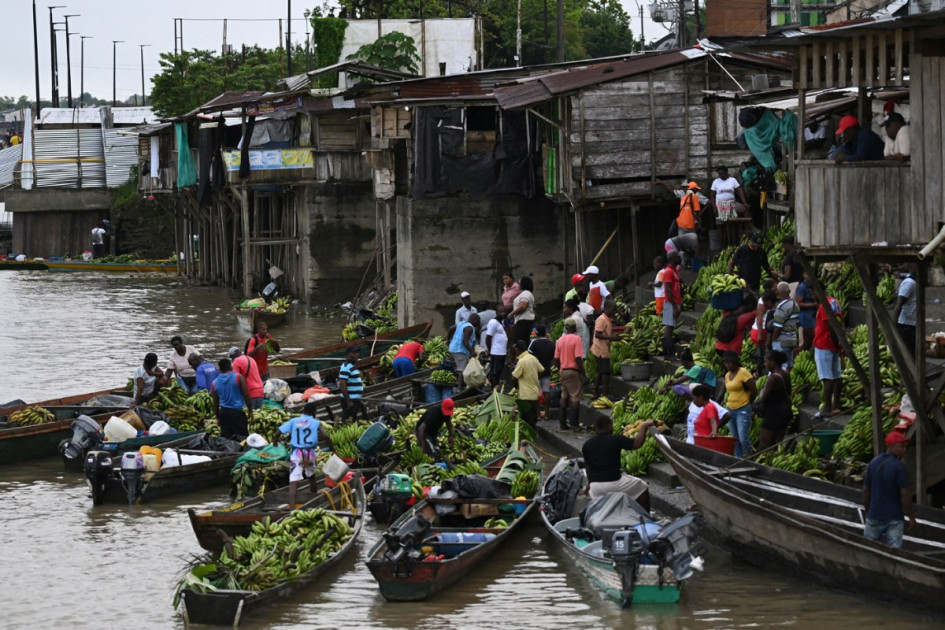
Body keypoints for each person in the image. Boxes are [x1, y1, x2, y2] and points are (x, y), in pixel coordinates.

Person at [582, 416, 654, 511]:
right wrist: (644, 427)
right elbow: (637, 444)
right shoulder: (616, 439)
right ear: (609, 426)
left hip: (595, 487)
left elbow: (588, 466)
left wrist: (588, 485)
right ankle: (645, 519)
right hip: (614, 482)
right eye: (611, 424)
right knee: (642, 487)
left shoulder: (587, 444)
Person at [862, 431, 916, 549]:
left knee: (868, 549)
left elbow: (866, 490)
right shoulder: (899, 466)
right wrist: (911, 516)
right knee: (894, 552)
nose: (904, 450)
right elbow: (904, 494)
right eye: (901, 447)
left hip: (875, 515)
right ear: (891, 447)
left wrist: (868, 511)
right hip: (894, 518)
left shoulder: (873, 462)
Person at [279, 401, 333, 509]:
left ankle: (292, 509)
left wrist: (275, 442)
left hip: (297, 453)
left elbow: (278, 432)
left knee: (294, 481)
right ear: (314, 413)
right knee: (311, 477)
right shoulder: (316, 422)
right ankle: (314, 501)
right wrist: (333, 449)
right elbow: (326, 436)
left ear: (303, 411)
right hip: (310, 453)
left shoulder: (294, 421)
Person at [722, 351, 757, 458]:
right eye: (726, 363)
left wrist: (748, 402)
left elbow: (754, 390)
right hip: (730, 409)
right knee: (735, 438)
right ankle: (739, 459)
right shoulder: (727, 375)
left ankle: (752, 456)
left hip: (742, 409)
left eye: (730, 362)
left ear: (735, 362)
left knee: (743, 438)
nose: (728, 365)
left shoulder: (743, 372)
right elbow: (726, 390)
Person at [813, 295, 844, 419]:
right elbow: (841, 321)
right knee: (837, 375)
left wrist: (837, 341)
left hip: (824, 343)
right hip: (833, 344)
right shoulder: (834, 302)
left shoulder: (824, 305)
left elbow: (831, 325)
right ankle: (836, 406)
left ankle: (827, 408)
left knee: (827, 377)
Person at [755, 350, 793, 450]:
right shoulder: (786, 374)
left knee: (765, 442)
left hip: (774, 413)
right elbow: (789, 393)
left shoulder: (773, 379)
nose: (765, 364)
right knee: (777, 442)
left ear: (773, 362)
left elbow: (763, 398)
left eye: (766, 361)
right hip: (785, 411)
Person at [211, 358, 253, 439]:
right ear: (230, 367)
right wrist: (250, 410)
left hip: (223, 413)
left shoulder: (214, 383)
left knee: (227, 440)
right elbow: (246, 395)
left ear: (220, 369)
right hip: (237, 414)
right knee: (242, 439)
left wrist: (217, 417)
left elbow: (215, 403)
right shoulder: (238, 377)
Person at [554, 319, 585, 431]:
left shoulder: (559, 340)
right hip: (573, 371)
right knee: (575, 397)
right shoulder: (577, 339)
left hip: (563, 371)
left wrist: (559, 369)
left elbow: (556, 359)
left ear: (566, 328)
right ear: (574, 328)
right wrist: (583, 372)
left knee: (564, 395)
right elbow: (578, 358)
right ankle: (574, 424)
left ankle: (562, 423)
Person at [511, 339, 544, 427]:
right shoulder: (533, 358)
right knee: (533, 418)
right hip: (534, 393)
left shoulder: (522, 361)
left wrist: (516, 387)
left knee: (526, 420)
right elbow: (541, 370)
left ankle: (530, 438)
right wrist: (534, 378)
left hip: (525, 395)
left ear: (517, 350)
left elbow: (514, 377)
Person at [591, 300, 619, 398]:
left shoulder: (607, 319)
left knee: (600, 371)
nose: (614, 312)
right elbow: (598, 334)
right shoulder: (601, 319)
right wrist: (611, 338)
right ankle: (605, 394)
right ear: (607, 308)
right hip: (600, 349)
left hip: (603, 348)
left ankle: (595, 392)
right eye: (613, 310)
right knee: (605, 372)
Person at [528, 325, 556, 421]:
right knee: (546, 392)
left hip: (536, 371)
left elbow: (529, 356)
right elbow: (554, 357)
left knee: (536, 393)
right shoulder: (551, 343)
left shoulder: (534, 343)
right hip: (547, 370)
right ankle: (547, 414)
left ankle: (538, 414)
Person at [770, 282, 800, 370]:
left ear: (779, 292)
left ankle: (781, 383)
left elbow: (778, 327)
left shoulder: (782, 307)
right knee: (789, 366)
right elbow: (797, 323)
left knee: (780, 366)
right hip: (792, 339)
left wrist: (774, 339)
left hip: (782, 340)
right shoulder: (795, 304)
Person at [447, 312, 480, 389]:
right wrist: (472, 352)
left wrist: (448, 338)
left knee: (461, 367)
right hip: (459, 350)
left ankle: (461, 384)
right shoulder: (469, 328)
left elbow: (451, 328)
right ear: (475, 321)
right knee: (462, 370)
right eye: (478, 322)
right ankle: (459, 388)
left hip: (453, 348)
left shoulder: (461, 323)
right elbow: (465, 342)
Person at [662, 252, 683, 359]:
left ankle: (669, 352)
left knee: (671, 327)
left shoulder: (674, 270)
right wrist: (674, 307)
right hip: (671, 303)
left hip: (675, 302)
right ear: (673, 258)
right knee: (669, 327)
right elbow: (668, 289)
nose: (680, 258)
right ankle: (668, 353)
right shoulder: (668, 272)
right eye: (678, 256)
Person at [752, 288, 778, 375]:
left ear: (769, 302)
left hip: (771, 340)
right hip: (768, 339)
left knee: (764, 356)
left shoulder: (773, 313)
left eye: (765, 302)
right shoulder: (773, 310)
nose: (764, 304)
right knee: (762, 355)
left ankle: (763, 372)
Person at [893, 265, 917, 358]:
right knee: (908, 353)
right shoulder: (909, 283)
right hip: (906, 325)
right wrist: (894, 328)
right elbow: (898, 305)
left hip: (912, 324)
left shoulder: (915, 282)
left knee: (912, 352)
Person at [339, 347, 366, 422]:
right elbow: (342, 385)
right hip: (350, 400)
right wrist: (348, 401)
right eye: (354, 353)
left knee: (352, 420)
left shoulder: (352, 366)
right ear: (348, 354)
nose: (357, 355)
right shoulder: (345, 367)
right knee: (347, 421)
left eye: (357, 353)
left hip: (355, 399)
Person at [485, 305, 509, 388]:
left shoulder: (501, 322)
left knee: (499, 371)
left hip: (501, 352)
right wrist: (490, 350)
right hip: (496, 352)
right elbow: (488, 338)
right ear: (496, 313)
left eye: (504, 312)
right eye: (501, 312)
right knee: (494, 372)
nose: (503, 314)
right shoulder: (493, 322)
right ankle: (494, 390)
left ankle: (496, 388)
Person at [509, 277, 535, 345]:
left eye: (519, 283)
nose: (518, 285)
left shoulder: (525, 293)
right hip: (527, 321)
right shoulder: (529, 293)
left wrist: (511, 314)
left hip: (523, 322)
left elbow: (523, 306)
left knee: (519, 343)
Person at [795, 270, 817, 351]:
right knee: (809, 340)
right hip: (807, 317)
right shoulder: (802, 287)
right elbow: (798, 303)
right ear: (804, 275)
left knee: (808, 342)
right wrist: (813, 305)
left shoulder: (811, 285)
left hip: (812, 315)